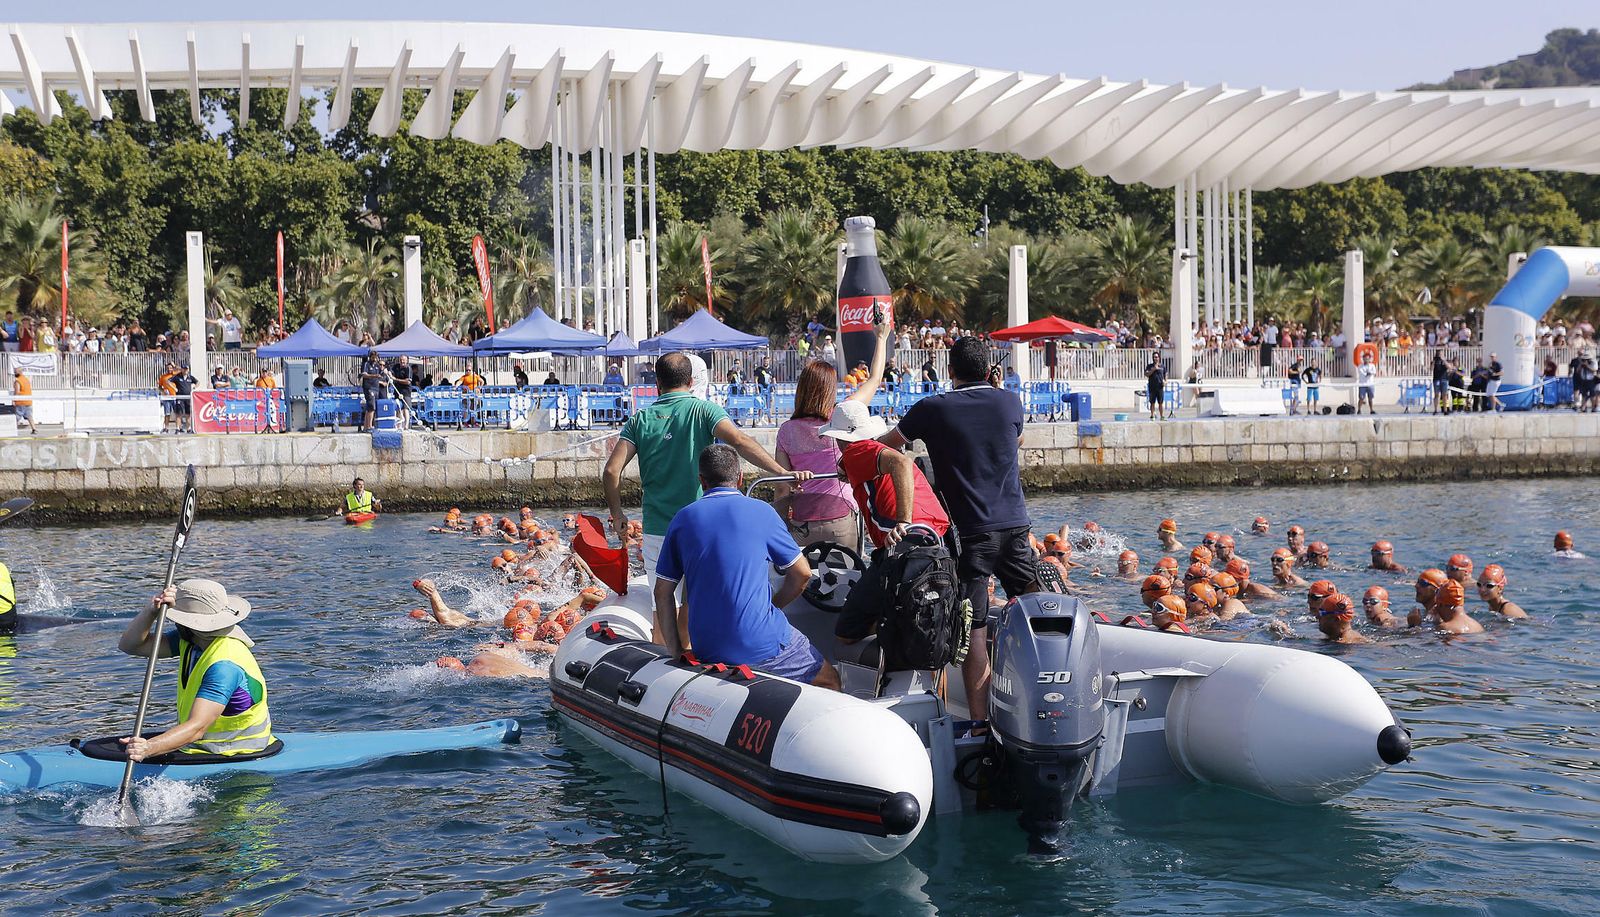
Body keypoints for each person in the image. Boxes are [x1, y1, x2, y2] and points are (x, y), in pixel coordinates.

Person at [879, 336, 1036, 719]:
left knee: (974, 629)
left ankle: (979, 722)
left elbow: (887, 446)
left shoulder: (932, 408)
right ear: (988, 369)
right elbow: (1015, 438)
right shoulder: (1009, 401)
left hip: (971, 535)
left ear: (950, 371)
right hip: (1016, 525)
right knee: (1037, 605)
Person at [604, 352, 804, 603]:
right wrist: (781, 472)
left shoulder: (640, 420)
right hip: (700, 526)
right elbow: (739, 441)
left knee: (662, 605)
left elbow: (611, 471)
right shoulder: (704, 410)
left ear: (657, 383)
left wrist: (618, 514)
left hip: (657, 529)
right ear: (690, 382)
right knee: (697, 603)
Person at [654, 445, 837, 688]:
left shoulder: (682, 518)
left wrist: (676, 652)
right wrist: (774, 606)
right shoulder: (762, 512)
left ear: (702, 481)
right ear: (740, 478)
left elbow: (662, 592)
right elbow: (802, 574)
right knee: (830, 681)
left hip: (707, 647)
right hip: (760, 643)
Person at [116, 580, 273, 761]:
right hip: (201, 747)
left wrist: (148, 748)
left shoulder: (224, 667)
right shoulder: (194, 640)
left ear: (189, 624)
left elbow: (197, 728)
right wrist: (151, 611)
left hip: (235, 753)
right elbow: (131, 645)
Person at [775, 320, 893, 548]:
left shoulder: (786, 430)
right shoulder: (841, 417)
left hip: (802, 525)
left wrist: (780, 532)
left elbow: (782, 486)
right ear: (830, 390)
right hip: (842, 519)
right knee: (848, 570)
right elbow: (875, 379)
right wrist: (881, 338)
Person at [358, 349, 386, 432]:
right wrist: (374, 376)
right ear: (370, 357)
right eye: (373, 357)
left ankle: (366, 427)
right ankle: (370, 426)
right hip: (369, 388)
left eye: (376, 358)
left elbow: (381, 374)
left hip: (376, 388)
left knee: (370, 408)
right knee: (371, 407)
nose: (375, 359)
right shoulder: (366, 364)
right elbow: (364, 375)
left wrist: (385, 372)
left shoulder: (377, 365)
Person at [11, 367, 34, 435]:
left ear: (19, 372)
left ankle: (12, 429)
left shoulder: (18, 381)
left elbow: (17, 391)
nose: (14, 373)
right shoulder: (26, 380)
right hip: (28, 401)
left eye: (15, 372)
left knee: (17, 417)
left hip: (21, 401)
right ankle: (34, 429)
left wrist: (14, 400)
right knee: (29, 416)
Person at [1144, 354, 1167, 420]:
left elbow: (1165, 375)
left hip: (1160, 387)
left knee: (1160, 402)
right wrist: (1153, 369)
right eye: (1154, 357)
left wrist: (1165, 382)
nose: (1155, 358)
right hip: (1152, 386)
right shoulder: (1149, 366)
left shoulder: (1162, 366)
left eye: (1156, 357)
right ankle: (1152, 415)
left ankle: (1162, 416)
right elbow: (1146, 374)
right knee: (1152, 402)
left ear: (1159, 358)